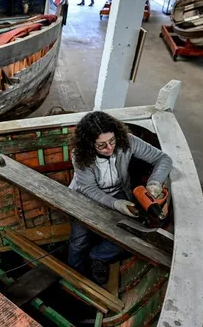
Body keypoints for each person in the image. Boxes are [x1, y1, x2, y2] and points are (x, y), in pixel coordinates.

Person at [67, 111, 172, 284]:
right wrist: (116, 204)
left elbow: (163, 159)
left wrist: (155, 182)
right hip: (83, 196)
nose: (109, 148)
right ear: (88, 144)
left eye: (112, 141)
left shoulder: (127, 141)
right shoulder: (80, 155)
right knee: (79, 239)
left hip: (118, 191)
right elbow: (89, 189)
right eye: (101, 145)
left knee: (133, 230)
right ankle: (74, 274)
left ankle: (98, 256)